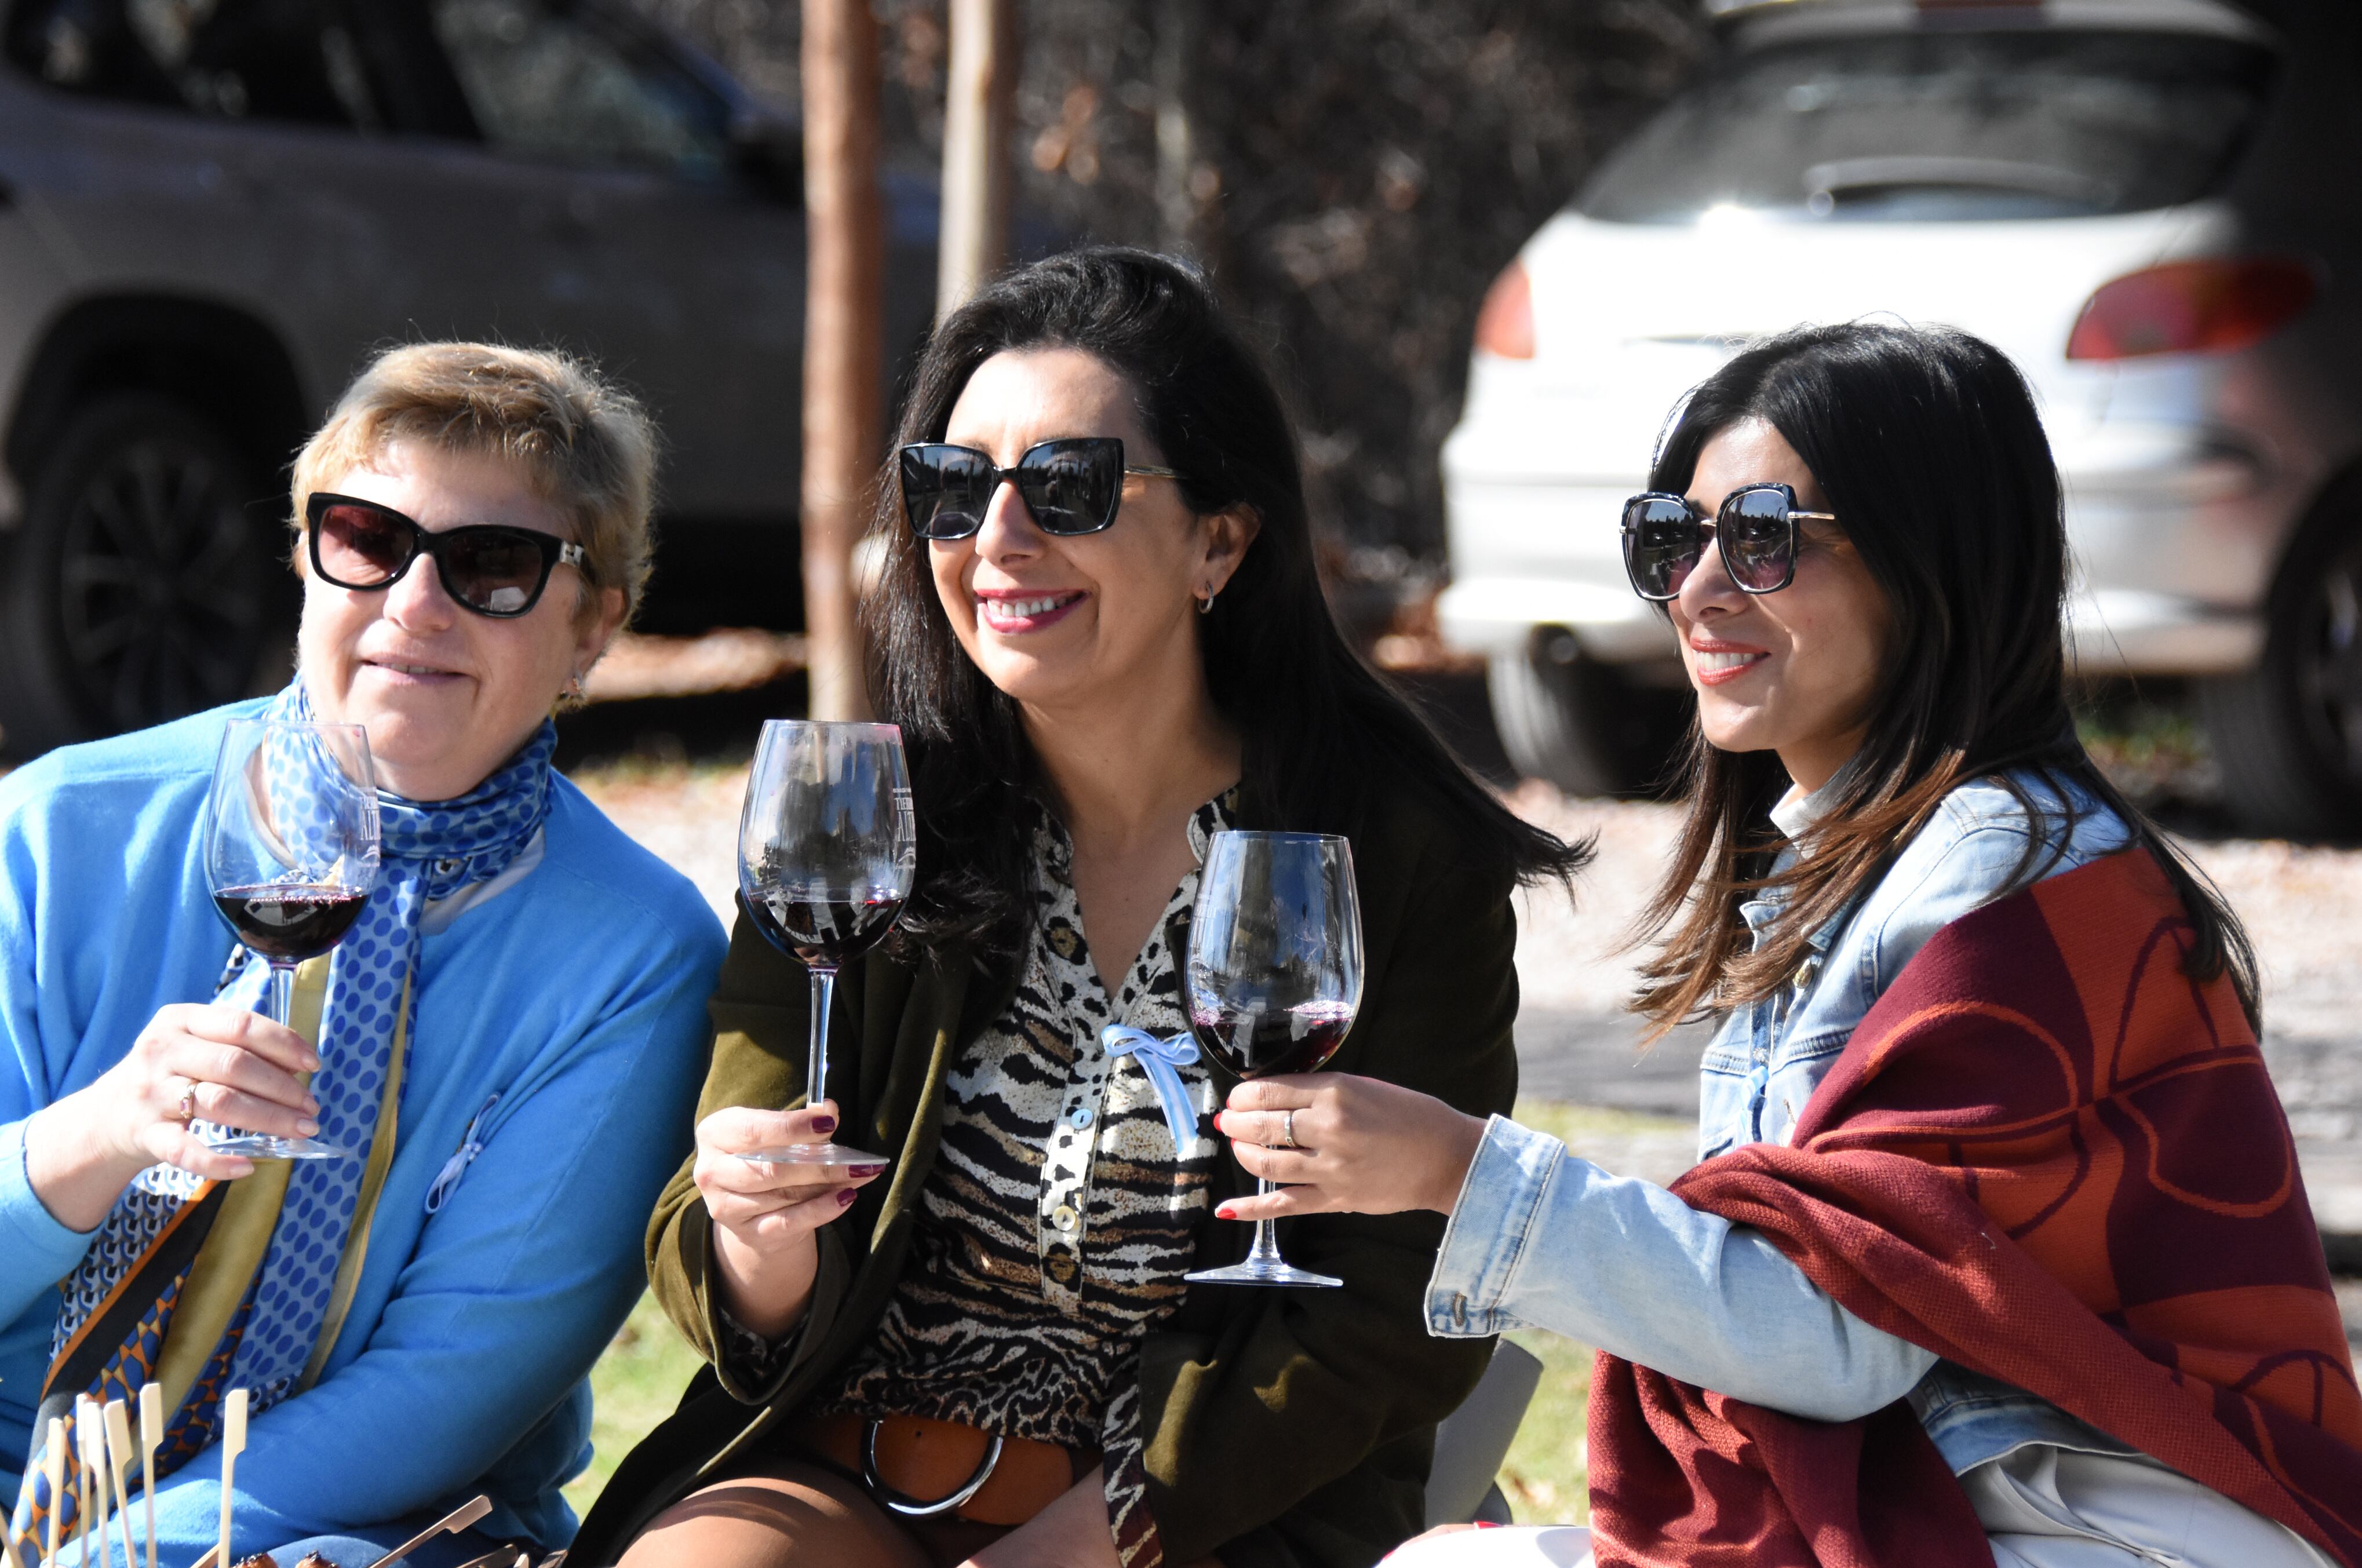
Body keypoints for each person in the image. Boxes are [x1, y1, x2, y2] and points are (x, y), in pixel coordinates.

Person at [1213, 323, 2362, 1567]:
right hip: (1978, 1505)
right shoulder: (1848, 863)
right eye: (1673, 539)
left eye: (1762, 538)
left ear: (1931, 561)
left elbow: (1832, 1334)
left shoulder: (2010, 875)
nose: (1698, 591)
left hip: (2123, 1526)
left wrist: (1463, 1173)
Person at [573, 247, 1588, 1568]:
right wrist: (756, 1246)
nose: (996, 540)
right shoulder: (864, 828)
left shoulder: (1390, 861)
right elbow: (709, 1235)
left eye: (1067, 486)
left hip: (1194, 1514)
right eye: (951, 487)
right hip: (839, 1471)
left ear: (1218, 541)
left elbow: (1390, 1311)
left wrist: (1107, 1526)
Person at [0, 342, 727, 1567]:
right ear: (305, 558)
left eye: (492, 565)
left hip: (357, 1533)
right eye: (365, 539)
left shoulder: (638, 959)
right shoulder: (60, 827)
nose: (414, 604)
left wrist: (107, 1564)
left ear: (596, 625)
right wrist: (106, 1128)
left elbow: (440, 1398)